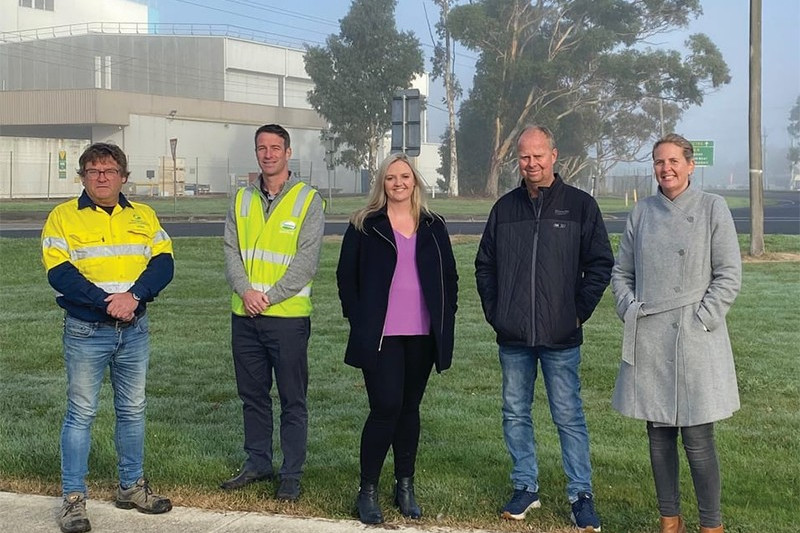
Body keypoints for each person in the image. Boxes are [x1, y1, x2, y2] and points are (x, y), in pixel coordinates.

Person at [475, 125, 612, 532]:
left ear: (554, 155)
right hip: (514, 335)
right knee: (515, 412)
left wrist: (576, 312)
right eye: (524, 157)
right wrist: (497, 312)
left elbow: (600, 264)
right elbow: (485, 265)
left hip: (561, 335)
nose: (531, 164)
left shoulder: (580, 206)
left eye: (538, 155)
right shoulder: (505, 208)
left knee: (568, 415)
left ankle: (580, 494)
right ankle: (525, 486)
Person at [41, 142, 175, 533]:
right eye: (94, 171)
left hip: (134, 330)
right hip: (86, 331)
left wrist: (134, 297)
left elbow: (163, 263)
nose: (102, 177)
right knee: (81, 413)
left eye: (110, 170)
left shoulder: (145, 215)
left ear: (123, 176)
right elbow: (60, 273)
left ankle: (131, 486)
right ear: (82, 176)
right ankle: (73, 499)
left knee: (133, 410)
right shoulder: (63, 217)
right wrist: (107, 303)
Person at [611, 134, 741, 533]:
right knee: (659, 436)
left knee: (699, 438)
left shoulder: (712, 208)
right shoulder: (642, 212)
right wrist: (630, 308)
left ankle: (711, 524)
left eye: (672, 161)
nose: (664, 169)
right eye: (658, 162)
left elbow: (729, 275)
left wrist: (703, 319)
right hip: (651, 334)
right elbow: (621, 272)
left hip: (696, 336)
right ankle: (670, 519)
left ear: (689, 165)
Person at [336, 153, 458, 524]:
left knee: (409, 410)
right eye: (391, 178)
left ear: (415, 181)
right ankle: (367, 490)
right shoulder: (364, 225)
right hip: (382, 335)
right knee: (385, 407)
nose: (399, 183)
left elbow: (449, 277)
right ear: (382, 183)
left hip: (422, 333)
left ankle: (404, 484)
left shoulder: (433, 225)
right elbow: (346, 279)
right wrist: (360, 321)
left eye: (405, 176)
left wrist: (446, 313)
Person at [221, 123, 324, 501]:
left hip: (288, 318)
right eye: (262, 148)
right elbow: (231, 251)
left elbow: (306, 261)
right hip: (244, 316)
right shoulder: (240, 199)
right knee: (253, 397)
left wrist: (269, 296)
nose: (268, 154)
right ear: (257, 153)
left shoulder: (307, 200)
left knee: (293, 400)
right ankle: (258, 462)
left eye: (275, 147)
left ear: (287, 152)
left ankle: (291, 474)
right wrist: (246, 292)